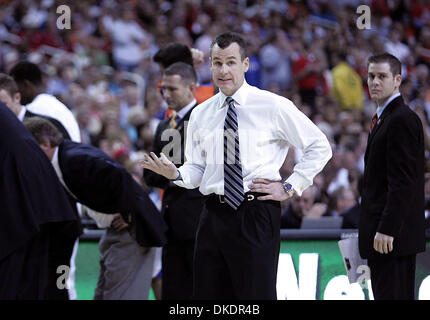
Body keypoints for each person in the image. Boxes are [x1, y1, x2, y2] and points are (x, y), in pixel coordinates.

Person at [140, 32, 332, 299]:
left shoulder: (272, 105)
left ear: (246, 64)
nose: (223, 70)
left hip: (255, 211)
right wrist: (176, 173)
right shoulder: (201, 113)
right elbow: (197, 169)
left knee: (254, 297)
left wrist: (289, 186)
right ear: (210, 66)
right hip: (211, 215)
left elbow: (319, 146)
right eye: (217, 63)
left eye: (231, 62)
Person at [10, 60, 82, 299]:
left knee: (57, 280)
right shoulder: (58, 106)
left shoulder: (42, 112)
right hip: (65, 204)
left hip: (57, 210)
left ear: (25, 86)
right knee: (60, 278)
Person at [359, 53, 426, 300]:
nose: (375, 82)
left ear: (397, 80)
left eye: (382, 77)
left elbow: (403, 183)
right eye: (371, 76)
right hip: (383, 237)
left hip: (390, 239)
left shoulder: (401, 119)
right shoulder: (385, 118)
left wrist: (387, 228)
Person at [143, 62, 206, 299]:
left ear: (191, 87)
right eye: (163, 89)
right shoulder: (162, 125)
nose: (166, 95)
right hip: (170, 223)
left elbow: (211, 170)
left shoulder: (206, 120)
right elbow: (149, 174)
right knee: (173, 290)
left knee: (198, 290)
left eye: (172, 89)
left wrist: (173, 175)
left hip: (198, 222)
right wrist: (175, 175)